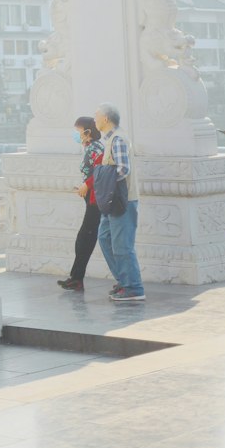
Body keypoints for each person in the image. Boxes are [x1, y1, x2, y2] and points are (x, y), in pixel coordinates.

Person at [94, 102, 145, 302]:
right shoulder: (110, 139)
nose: (94, 118)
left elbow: (123, 169)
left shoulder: (118, 139)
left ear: (106, 119)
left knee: (123, 246)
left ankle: (133, 288)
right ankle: (124, 281)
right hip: (112, 201)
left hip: (122, 200)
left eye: (96, 115)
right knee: (105, 238)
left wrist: (102, 181)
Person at [57, 116, 104, 291]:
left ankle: (76, 278)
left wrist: (87, 185)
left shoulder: (96, 148)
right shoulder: (89, 148)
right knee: (85, 238)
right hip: (90, 196)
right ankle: (76, 278)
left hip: (96, 198)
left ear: (87, 132)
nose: (76, 134)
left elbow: (101, 172)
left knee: (85, 238)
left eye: (78, 131)